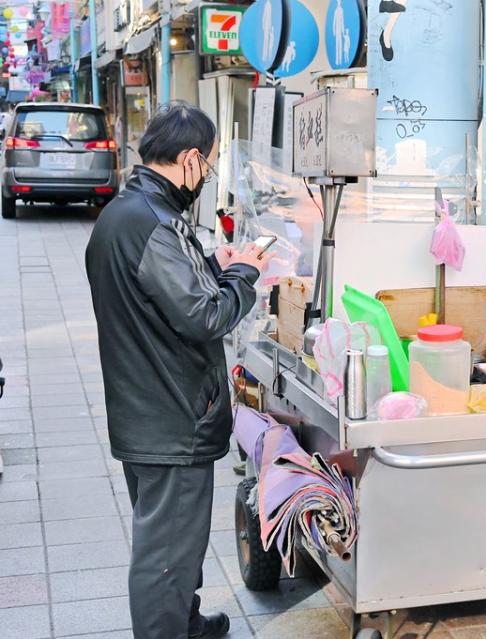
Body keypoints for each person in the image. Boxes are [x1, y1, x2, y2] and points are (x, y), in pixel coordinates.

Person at [86, 103, 271, 639]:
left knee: (175, 544)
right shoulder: (154, 222)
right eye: (208, 166)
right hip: (170, 419)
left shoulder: (129, 212)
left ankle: (185, 624)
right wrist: (243, 274)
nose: (206, 177)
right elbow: (206, 315)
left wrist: (212, 267)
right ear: (190, 159)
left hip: (146, 410)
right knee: (164, 555)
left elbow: (155, 297)